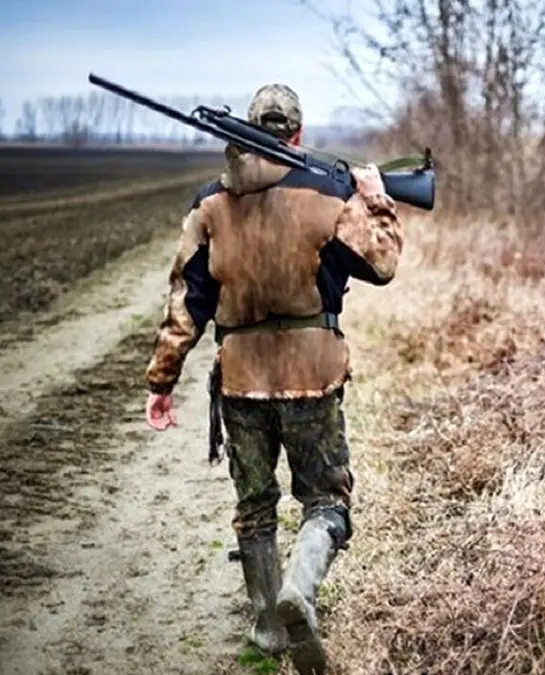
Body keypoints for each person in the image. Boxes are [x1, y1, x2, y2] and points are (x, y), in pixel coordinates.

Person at [141, 83, 404, 675]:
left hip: (240, 381)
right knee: (326, 501)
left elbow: (187, 301)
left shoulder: (209, 203)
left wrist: (162, 380)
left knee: (254, 508)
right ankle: (299, 592)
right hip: (313, 374)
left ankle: (266, 630)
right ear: (299, 135)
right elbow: (382, 266)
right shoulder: (331, 193)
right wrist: (376, 201)